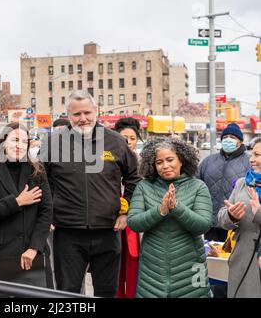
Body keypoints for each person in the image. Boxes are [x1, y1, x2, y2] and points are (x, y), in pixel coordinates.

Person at [42, 90, 140, 297]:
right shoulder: (52, 143)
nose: (83, 119)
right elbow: (42, 183)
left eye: (87, 112)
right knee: (68, 293)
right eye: (77, 114)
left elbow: (134, 179)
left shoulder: (115, 142)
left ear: (96, 111)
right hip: (67, 233)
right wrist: (47, 214)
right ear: (68, 115)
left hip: (108, 231)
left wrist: (126, 212)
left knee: (106, 291)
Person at [127, 138, 213, 298]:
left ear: (182, 160)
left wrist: (176, 208)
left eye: (170, 159)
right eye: (159, 162)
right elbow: (134, 223)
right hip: (152, 269)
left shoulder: (198, 186)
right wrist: (160, 210)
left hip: (192, 266)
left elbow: (203, 225)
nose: (165, 166)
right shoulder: (144, 187)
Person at [0, 122, 53, 297]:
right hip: (0, 254)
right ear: (3, 142)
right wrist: (16, 202)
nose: (19, 146)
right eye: (15, 140)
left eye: (24, 142)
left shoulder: (37, 170)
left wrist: (34, 247)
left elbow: (46, 211)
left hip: (33, 253)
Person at [217, 137, 261, 298]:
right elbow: (222, 218)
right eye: (252, 154)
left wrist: (259, 213)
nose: (252, 159)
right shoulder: (242, 183)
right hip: (243, 259)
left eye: (257, 155)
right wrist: (231, 216)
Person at [197, 123, 250, 242]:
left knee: (233, 257)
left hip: (236, 222)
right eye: (225, 137)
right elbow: (196, 184)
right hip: (210, 222)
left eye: (232, 137)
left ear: (240, 141)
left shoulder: (249, 162)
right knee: (212, 256)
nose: (228, 140)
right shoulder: (208, 161)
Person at [114, 117, 143, 298]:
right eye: (124, 138)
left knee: (134, 273)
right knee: (114, 271)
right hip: (112, 224)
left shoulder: (146, 164)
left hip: (136, 227)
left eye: (132, 138)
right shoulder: (106, 161)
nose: (128, 142)